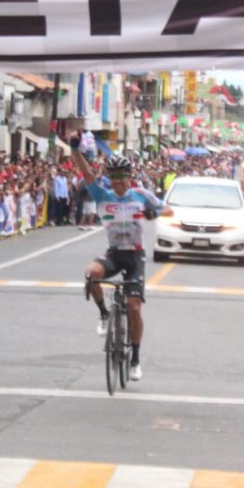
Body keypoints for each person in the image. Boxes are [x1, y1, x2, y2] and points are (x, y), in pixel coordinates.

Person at [69, 136, 171, 382]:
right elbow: (87, 173)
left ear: (128, 176)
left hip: (135, 255)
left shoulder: (141, 194)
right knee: (91, 273)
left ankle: (135, 359)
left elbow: (168, 209)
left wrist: (152, 212)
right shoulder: (103, 196)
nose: (117, 182)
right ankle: (104, 313)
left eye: (121, 176)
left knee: (135, 306)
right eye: (113, 177)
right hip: (114, 252)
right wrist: (75, 150)